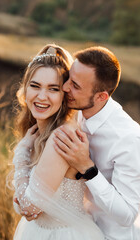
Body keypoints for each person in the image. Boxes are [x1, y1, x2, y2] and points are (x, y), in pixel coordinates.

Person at [12, 44, 104, 240]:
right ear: (25, 88)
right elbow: (24, 204)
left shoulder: (61, 137)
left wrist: (21, 153)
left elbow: (28, 206)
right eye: (35, 86)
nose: (42, 96)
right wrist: (23, 196)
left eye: (53, 89)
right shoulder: (41, 134)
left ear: (65, 95)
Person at [53, 46, 140, 240]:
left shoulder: (128, 138)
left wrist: (87, 168)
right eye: (68, 78)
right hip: (77, 228)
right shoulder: (76, 112)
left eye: (75, 86)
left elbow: (127, 215)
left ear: (102, 97)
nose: (66, 87)